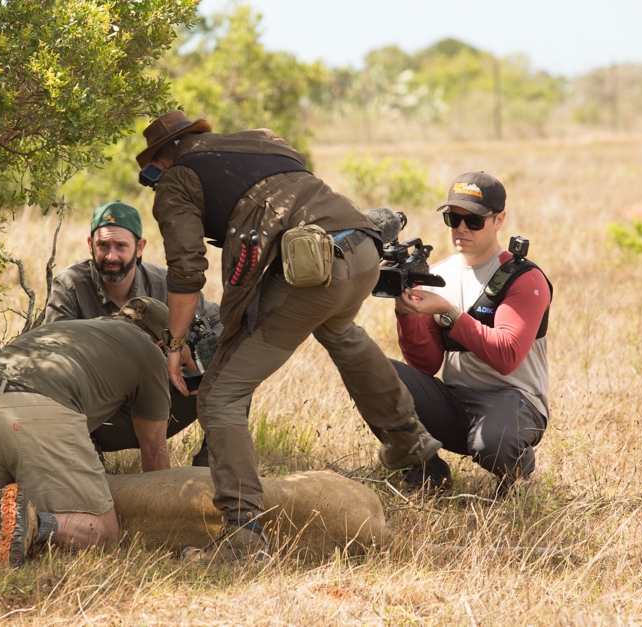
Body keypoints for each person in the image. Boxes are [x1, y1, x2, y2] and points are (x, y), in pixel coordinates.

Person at [136, 110, 442, 561]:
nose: (153, 182)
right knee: (342, 334)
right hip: (362, 250)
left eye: (149, 175)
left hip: (311, 269)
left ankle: (242, 537)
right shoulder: (262, 142)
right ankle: (415, 452)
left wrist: (175, 344)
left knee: (220, 396)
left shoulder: (176, 179)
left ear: (159, 160)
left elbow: (186, 271)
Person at [0, 297, 171, 568]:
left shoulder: (73, 328)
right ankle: (36, 522)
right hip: (34, 408)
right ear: (161, 342)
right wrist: (164, 514)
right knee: (102, 533)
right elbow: (155, 449)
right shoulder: (151, 352)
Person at [390, 171, 551, 494]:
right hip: (454, 399)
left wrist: (448, 311)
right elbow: (425, 364)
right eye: (453, 218)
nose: (461, 228)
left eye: (474, 220)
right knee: (373, 372)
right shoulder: (437, 275)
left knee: (490, 443)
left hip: (514, 400)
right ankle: (427, 470)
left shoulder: (524, 279)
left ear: (499, 220)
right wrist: (405, 310)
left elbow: (506, 356)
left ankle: (518, 464)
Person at [46, 200, 221, 465]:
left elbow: (219, 325)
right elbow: (53, 354)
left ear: (139, 248)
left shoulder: (166, 284)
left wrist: (204, 369)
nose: (111, 256)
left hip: (165, 400)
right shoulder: (70, 285)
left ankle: (213, 470)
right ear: (90, 244)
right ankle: (88, 465)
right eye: (103, 245)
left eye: (121, 246)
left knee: (231, 378)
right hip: (102, 410)